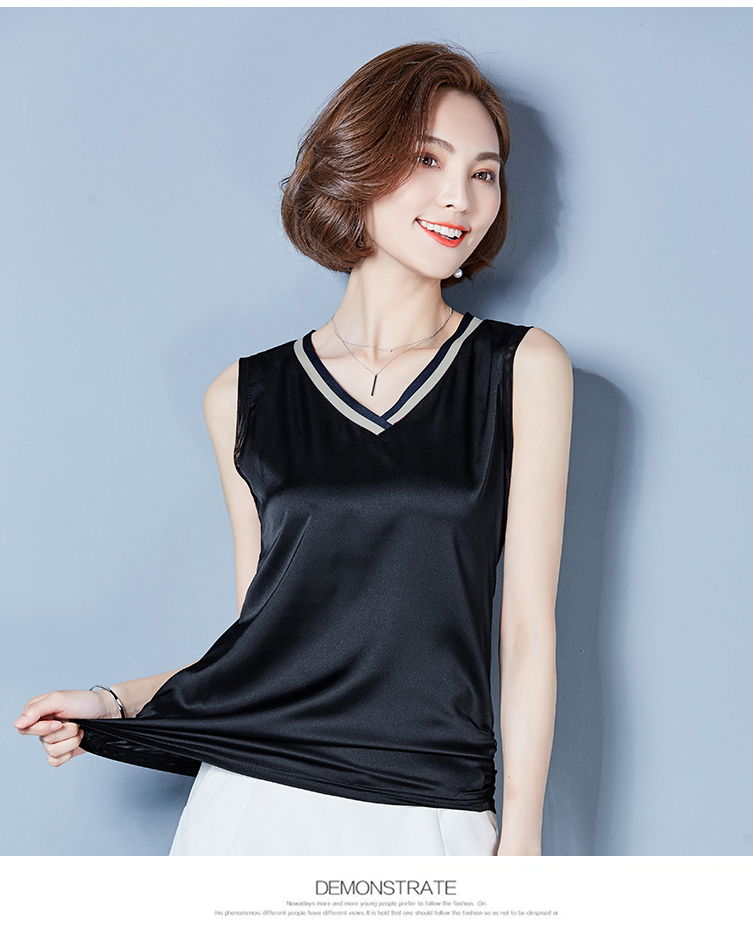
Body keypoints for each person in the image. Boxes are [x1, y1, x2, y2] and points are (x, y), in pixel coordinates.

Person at [13, 41, 572, 856]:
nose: (460, 196)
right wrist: (111, 701)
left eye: (483, 173)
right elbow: (263, 646)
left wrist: (520, 843)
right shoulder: (243, 394)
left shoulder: (519, 369)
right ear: (358, 163)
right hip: (249, 812)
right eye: (428, 159)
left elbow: (526, 633)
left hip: (426, 810)